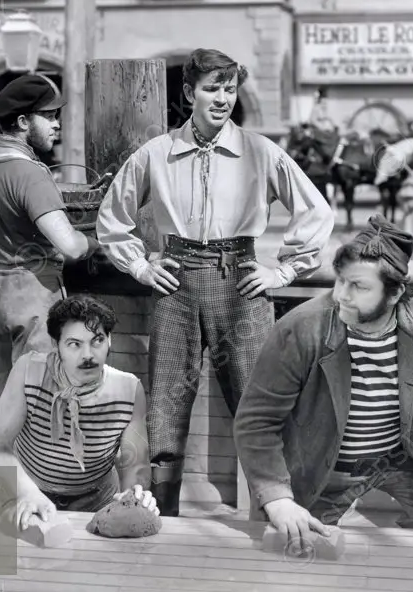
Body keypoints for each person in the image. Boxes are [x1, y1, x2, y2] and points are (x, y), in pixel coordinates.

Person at [96, 48, 335, 516]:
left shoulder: (260, 151)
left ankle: (270, 513)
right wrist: (143, 267)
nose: (222, 98)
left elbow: (317, 211)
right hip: (176, 283)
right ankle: (161, 515)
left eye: (230, 88)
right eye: (212, 88)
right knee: (165, 404)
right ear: (189, 94)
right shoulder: (157, 153)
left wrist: (283, 271)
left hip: (242, 284)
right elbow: (111, 218)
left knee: (258, 401)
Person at [233, 215, 413, 552]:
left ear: (395, 292)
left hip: (400, 457)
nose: (342, 295)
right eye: (340, 281)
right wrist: (278, 499)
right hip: (315, 468)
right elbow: (256, 420)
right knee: (294, 556)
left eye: (359, 286)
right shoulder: (301, 328)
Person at [0, 73, 101, 492]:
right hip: (32, 295)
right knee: (39, 397)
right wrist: (94, 241)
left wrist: (3, 244)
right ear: (21, 122)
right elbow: (69, 246)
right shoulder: (31, 174)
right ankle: (34, 495)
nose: (57, 125)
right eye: (49, 116)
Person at [0, 295, 159, 528]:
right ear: (56, 346)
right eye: (74, 344)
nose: (88, 355)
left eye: (97, 341)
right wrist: (29, 494)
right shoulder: (29, 370)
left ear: (110, 340)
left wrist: (132, 497)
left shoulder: (129, 389)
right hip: (24, 492)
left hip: (97, 502)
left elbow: (135, 464)